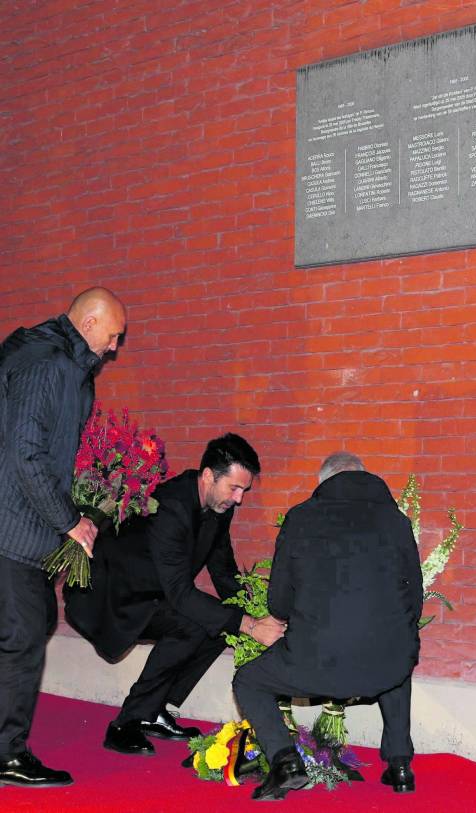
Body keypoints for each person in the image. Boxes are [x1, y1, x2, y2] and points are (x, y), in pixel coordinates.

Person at [64, 433, 286, 756]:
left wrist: (252, 607)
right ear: (208, 476)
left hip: (157, 593)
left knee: (221, 623)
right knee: (196, 624)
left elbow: (222, 569)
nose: (239, 499)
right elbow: (181, 594)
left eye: (244, 491)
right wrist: (250, 625)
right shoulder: (171, 507)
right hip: (117, 597)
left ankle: (154, 709)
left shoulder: (219, 506)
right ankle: (126, 724)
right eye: (234, 488)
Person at [233, 451, 423, 801]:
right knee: (395, 650)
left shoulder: (300, 518)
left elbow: (278, 603)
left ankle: (286, 761)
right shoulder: (397, 522)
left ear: (323, 483)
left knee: (248, 680)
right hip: (382, 667)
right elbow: (414, 599)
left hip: (314, 666)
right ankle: (400, 766)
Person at [0, 287, 126, 788]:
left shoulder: (52, 359)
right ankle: (7, 754)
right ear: (90, 324)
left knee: (29, 626)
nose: (115, 347)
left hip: (19, 525)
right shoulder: (50, 364)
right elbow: (26, 455)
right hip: (12, 528)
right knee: (23, 637)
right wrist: (70, 520)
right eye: (113, 335)